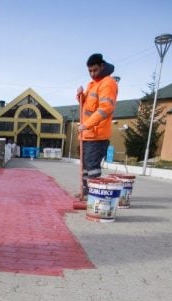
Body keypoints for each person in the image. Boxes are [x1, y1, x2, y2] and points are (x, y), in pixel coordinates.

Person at [76, 53, 118, 197]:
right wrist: (80, 96)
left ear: (102, 66)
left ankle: (94, 196)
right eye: (90, 71)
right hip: (87, 135)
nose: (92, 74)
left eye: (95, 70)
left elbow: (106, 108)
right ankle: (85, 192)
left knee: (92, 167)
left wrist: (87, 125)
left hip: (97, 135)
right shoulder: (92, 84)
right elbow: (86, 105)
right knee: (86, 167)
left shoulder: (108, 83)